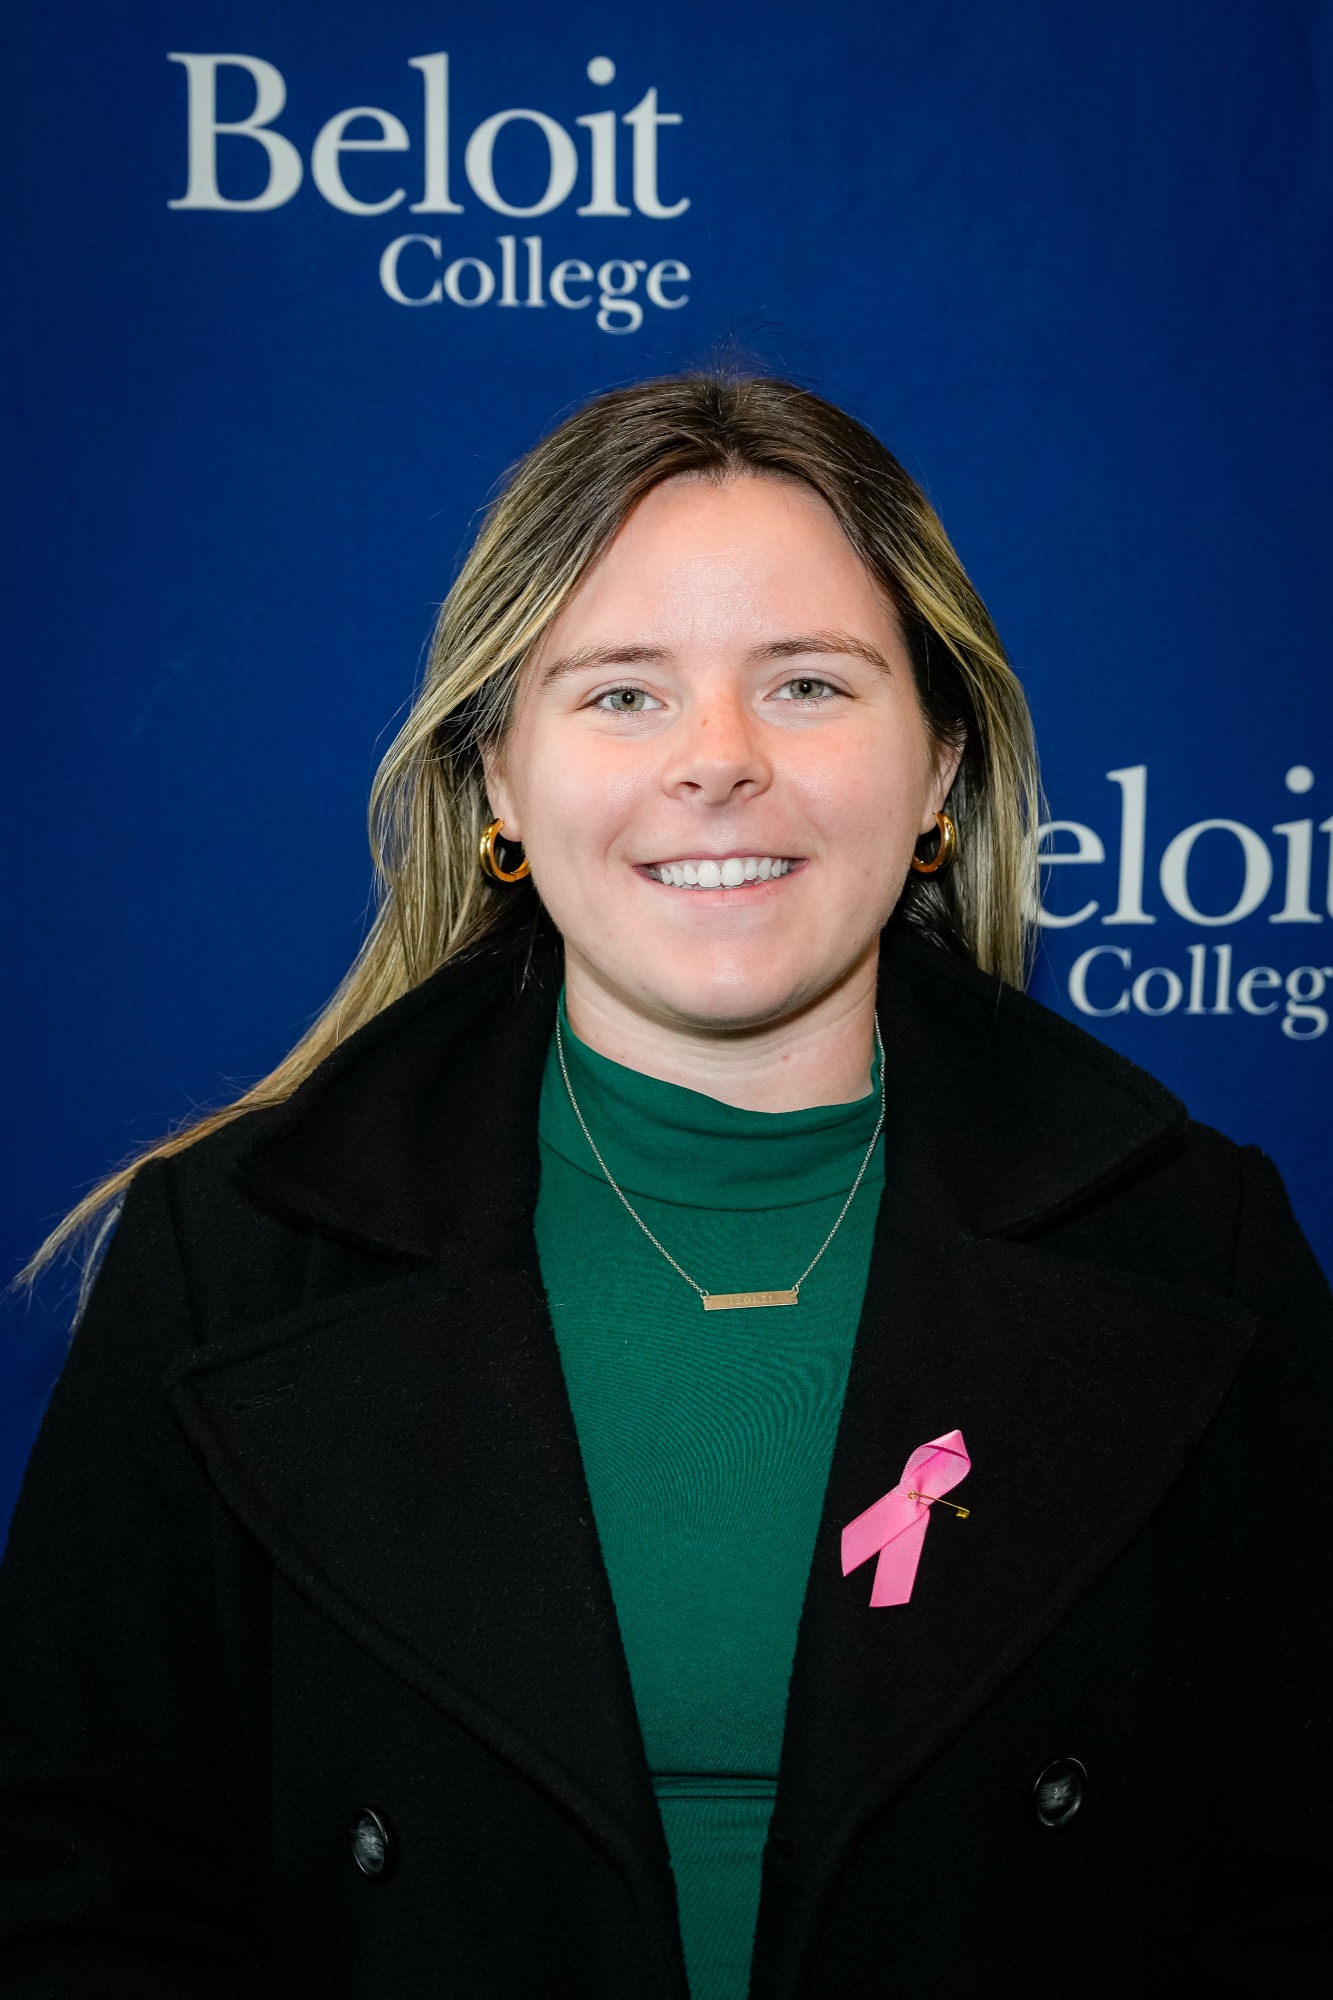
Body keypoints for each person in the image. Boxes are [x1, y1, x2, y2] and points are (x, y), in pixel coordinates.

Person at [0, 374, 1329, 2000]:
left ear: (940, 773)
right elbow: (81, 1901)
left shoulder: (1196, 1248)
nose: (717, 763)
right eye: (621, 694)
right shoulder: (233, 1260)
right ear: (498, 778)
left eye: (808, 685)